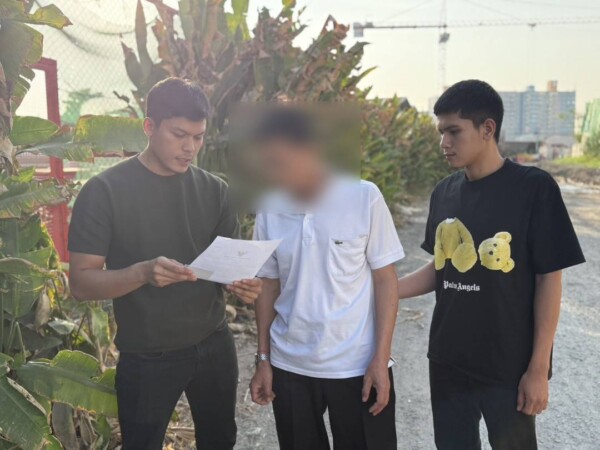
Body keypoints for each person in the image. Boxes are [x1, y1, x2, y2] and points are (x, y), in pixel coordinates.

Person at [68, 77, 262, 450]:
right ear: (149, 126)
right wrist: (142, 273)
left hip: (214, 343)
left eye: (199, 137)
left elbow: (227, 268)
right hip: (147, 354)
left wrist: (242, 284)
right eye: (179, 135)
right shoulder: (104, 192)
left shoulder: (216, 191)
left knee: (221, 440)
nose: (190, 147)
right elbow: (81, 283)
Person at [397, 79, 585, 450]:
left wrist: (538, 369)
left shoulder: (534, 188)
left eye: (454, 131)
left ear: (487, 128)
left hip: (507, 367)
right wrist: (385, 289)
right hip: (448, 361)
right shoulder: (444, 192)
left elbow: (549, 280)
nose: (444, 143)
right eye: (441, 132)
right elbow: (441, 267)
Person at [248, 106, 404, 450]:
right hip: (290, 365)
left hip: (357, 365)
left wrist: (381, 359)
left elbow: (385, 280)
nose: (275, 174)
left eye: (282, 161)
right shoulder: (269, 207)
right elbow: (268, 284)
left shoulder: (364, 197)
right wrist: (263, 359)